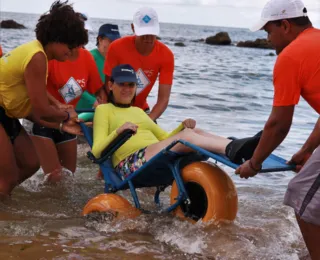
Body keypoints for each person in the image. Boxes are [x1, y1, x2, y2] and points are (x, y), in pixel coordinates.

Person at [235, 0, 320, 258]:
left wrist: (254, 163)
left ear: (285, 25)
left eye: (268, 32)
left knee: (300, 194)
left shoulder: (291, 56)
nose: (269, 40)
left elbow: (279, 124)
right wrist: (307, 150)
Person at [92, 64, 261, 178]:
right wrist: (118, 131)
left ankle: (236, 146)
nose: (127, 89)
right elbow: (97, 152)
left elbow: (165, 137)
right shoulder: (103, 110)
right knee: (185, 137)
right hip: (130, 164)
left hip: (150, 156)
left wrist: (182, 126)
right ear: (110, 85)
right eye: (122, 84)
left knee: (193, 132)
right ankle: (231, 149)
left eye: (131, 85)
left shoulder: (138, 111)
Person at [0, 0, 88, 198]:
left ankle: (5, 212)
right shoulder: (37, 57)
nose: (73, 51)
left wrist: (61, 126)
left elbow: (31, 111)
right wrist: (66, 115)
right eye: (71, 44)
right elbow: (41, 109)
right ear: (56, 39)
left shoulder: (40, 55)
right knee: (6, 178)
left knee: (31, 163)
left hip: (6, 113)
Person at [29, 46, 104, 183]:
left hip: (69, 121)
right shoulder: (51, 56)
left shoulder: (87, 57)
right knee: (54, 176)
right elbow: (36, 86)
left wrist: (104, 115)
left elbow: (99, 91)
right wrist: (57, 104)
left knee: (69, 178)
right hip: (44, 120)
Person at [103, 7, 174, 121]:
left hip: (142, 111)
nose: (148, 38)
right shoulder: (117, 47)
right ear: (133, 28)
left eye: (151, 33)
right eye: (143, 33)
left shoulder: (166, 55)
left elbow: (163, 100)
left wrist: (147, 122)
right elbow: (108, 86)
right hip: (115, 107)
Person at [76, 23, 121, 116]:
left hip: (101, 112)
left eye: (117, 42)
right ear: (100, 39)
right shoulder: (89, 57)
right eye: (111, 41)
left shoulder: (117, 62)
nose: (114, 45)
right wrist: (93, 101)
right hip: (81, 111)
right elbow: (75, 85)